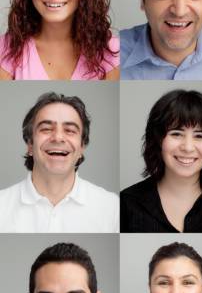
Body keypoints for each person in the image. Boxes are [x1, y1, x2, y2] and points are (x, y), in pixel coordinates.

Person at [120, 89, 202, 232]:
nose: (188, 148)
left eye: (199, 136)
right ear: (157, 140)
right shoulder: (127, 203)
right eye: (176, 133)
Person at [0, 92, 119, 233]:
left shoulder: (112, 207)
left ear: (82, 147)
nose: (58, 137)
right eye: (46, 129)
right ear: (30, 144)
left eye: (69, 130)